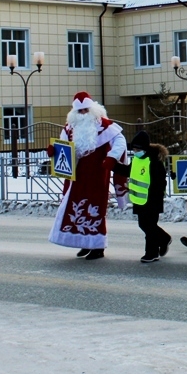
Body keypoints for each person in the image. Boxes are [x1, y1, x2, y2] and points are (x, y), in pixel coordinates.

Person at [47, 92, 126, 260]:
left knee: (95, 209)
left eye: (85, 110)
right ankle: (83, 243)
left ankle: (97, 246)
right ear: (75, 112)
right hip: (76, 177)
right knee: (72, 207)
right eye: (80, 111)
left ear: (92, 109)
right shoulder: (69, 127)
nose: (83, 114)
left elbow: (120, 142)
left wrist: (112, 157)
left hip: (97, 175)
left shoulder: (105, 126)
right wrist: (54, 151)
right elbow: (64, 147)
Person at [128, 131, 172, 263]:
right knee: (144, 224)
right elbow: (128, 171)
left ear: (145, 148)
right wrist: (113, 166)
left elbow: (160, 182)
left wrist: (156, 196)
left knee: (149, 226)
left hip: (152, 199)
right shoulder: (137, 159)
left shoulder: (154, 160)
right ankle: (164, 239)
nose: (135, 151)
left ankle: (152, 253)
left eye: (138, 149)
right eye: (134, 149)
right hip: (140, 199)